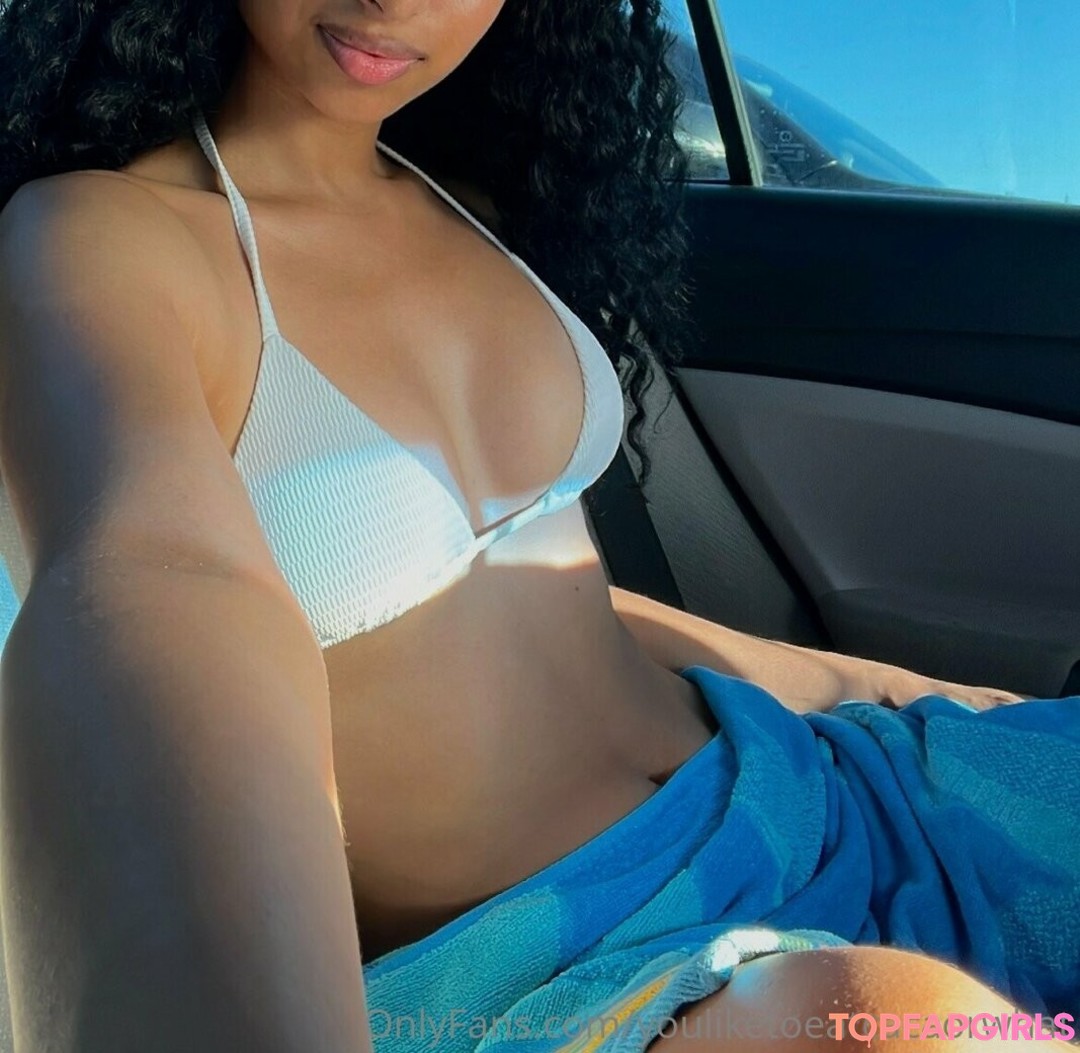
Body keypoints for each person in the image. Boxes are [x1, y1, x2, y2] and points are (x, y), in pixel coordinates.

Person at [0, 1, 1077, 1051]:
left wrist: (889, 688)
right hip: (571, 961)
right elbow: (144, 583)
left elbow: (557, 599)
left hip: (791, 784)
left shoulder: (476, 205)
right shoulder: (100, 238)